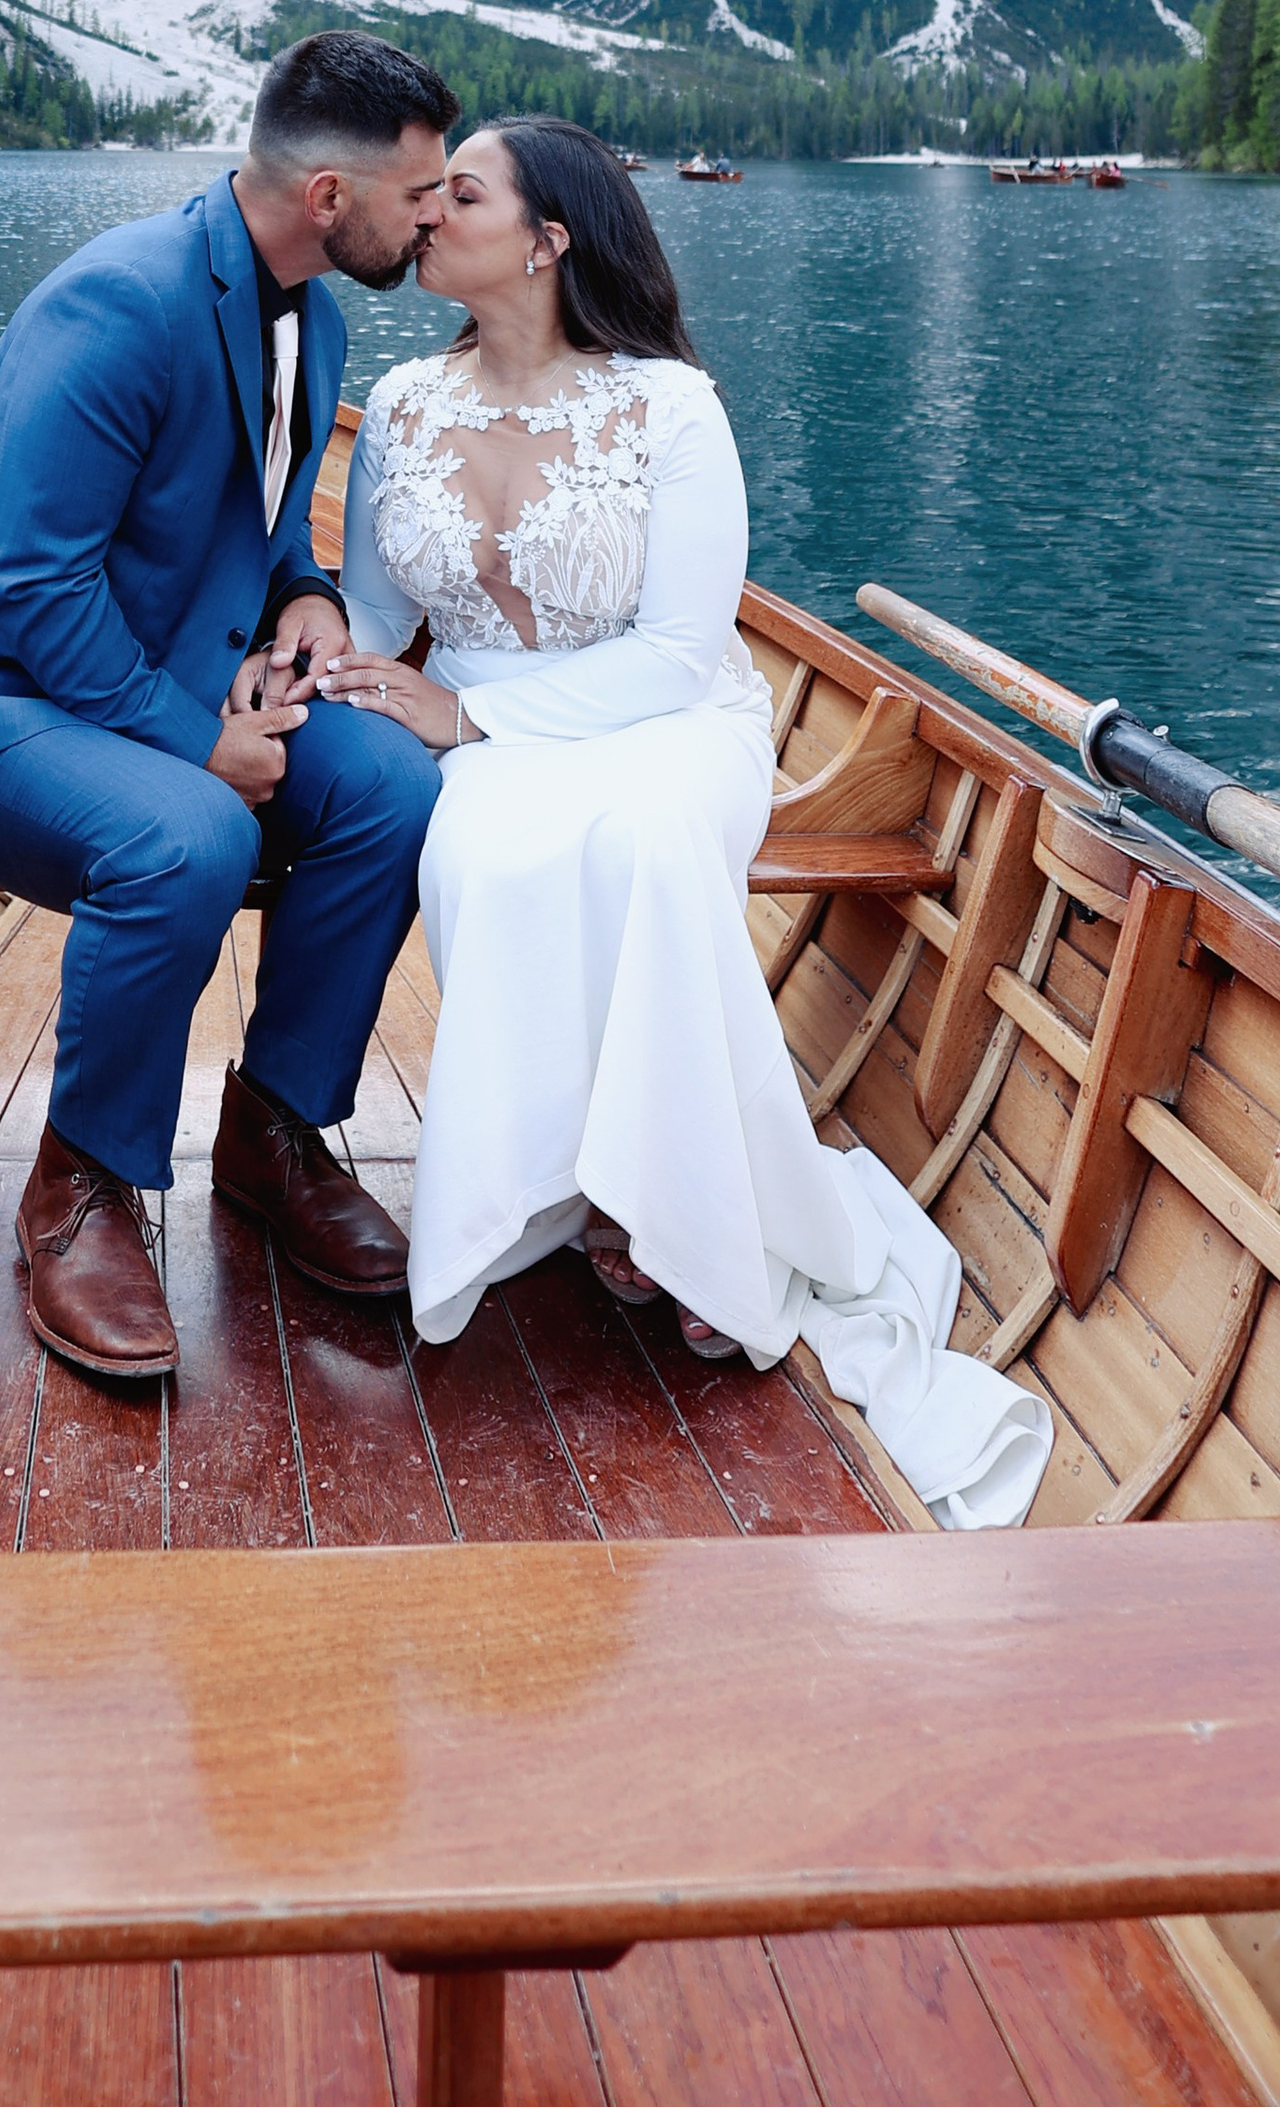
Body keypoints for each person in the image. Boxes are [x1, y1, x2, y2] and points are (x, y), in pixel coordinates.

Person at [315, 116, 1052, 1530]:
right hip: (479, 725)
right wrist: (322, 661)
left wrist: (463, 723)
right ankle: (550, 1186)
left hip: (664, 722)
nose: (424, 213)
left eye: (457, 194)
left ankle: (671, 1212)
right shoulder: (404, 403)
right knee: (481, 850)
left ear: (545, 241)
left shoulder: (666, 406)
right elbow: (377, 617)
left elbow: (674, 652)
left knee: (644, 845)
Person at [0, 31, 460, 1381]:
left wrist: (308, 599)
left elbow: (256, 529)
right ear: (329, 199)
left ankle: (273, 1133)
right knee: (186, 836)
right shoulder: (115, 304)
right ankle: (78, 1187)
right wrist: (201, 741)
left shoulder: (310, 314)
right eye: (417, 193)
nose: (432, 216)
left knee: (392, 789)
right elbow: (32, 587)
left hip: (166, 681)